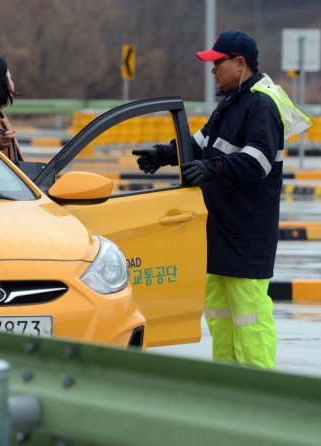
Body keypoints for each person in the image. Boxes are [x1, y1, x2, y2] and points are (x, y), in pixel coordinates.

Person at [132, 30, 311, 370]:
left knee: (249, 314)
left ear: (239, 63)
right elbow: (199, 145)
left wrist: (212, 169)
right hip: (221, 228)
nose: (212, 70)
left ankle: (258, 386)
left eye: (217, 63)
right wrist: (164, 154)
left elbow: (258, 161)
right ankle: (228, 380)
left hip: (247, 232)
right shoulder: (231, 102)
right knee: (219, 313)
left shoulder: (260, 104)